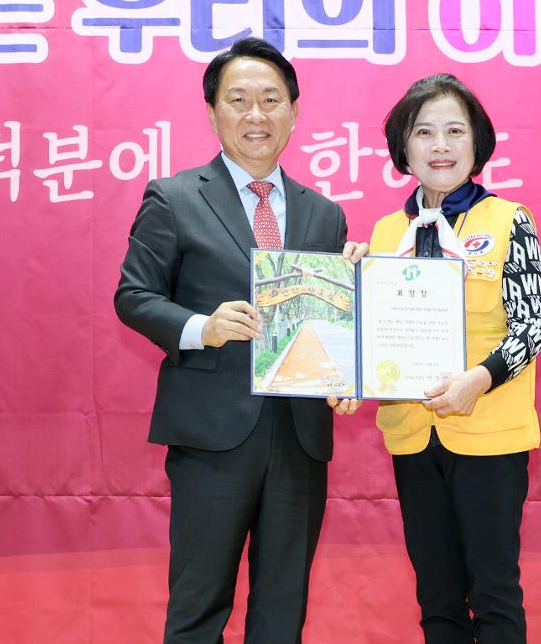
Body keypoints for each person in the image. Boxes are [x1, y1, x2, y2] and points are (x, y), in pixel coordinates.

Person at [114, 36, 363, 644]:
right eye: (239, 100)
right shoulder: (173, 198)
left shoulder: (325, 214)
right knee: (199, 606)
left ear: (294, 113)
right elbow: (134, 296)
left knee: (283, 607)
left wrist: (351, 362)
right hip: (212, 434)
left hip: (300, 435)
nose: (257, 114)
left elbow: (329, 320)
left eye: (272, 100)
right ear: (212, 113)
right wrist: (203, 328)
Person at [370, 74, 541, 644]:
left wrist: (479, 379)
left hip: (489, 434)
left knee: (493, 592)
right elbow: (374, 335)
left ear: (477, 144)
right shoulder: (385, 233)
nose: (440, 146)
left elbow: (534, 324)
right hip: (412, 436)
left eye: (455, 131)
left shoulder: (508, 218)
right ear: (403, 147)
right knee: (437, 596)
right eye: (424, 132)